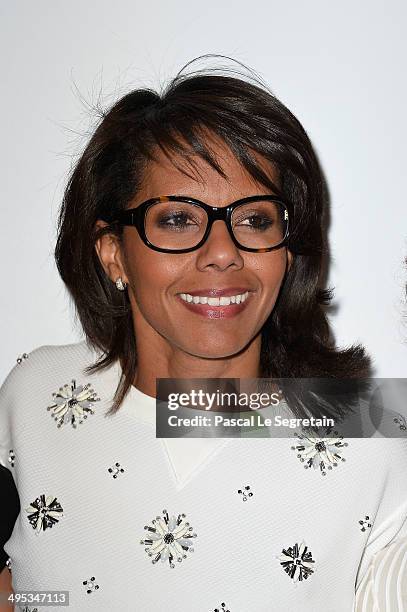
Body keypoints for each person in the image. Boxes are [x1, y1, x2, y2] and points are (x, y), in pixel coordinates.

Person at [1, 56, 406, 612]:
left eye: (255, 219)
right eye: (177, 219)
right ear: (112, 251)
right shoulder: (35, 394)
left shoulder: (376, 431)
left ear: (288, 253)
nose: (223, 253)